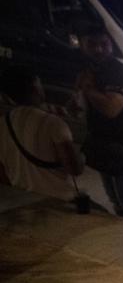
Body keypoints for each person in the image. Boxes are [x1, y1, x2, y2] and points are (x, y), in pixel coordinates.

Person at [76, 25, 123, 224]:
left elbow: (112, 109)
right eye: (92, 44)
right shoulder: (90, 70)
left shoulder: (117, 72)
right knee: (117, 201)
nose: (99, 49)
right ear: (82, 45)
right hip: (106, 144)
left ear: (111, 45)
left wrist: (88, 89)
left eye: (104, 44)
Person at [0, 66, 84, 201]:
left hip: (22, 199)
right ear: (35, 87)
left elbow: (2, 173)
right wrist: (82, 156)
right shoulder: (54, 124)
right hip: (58, 199)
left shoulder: (3, 124)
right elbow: (74, 169)